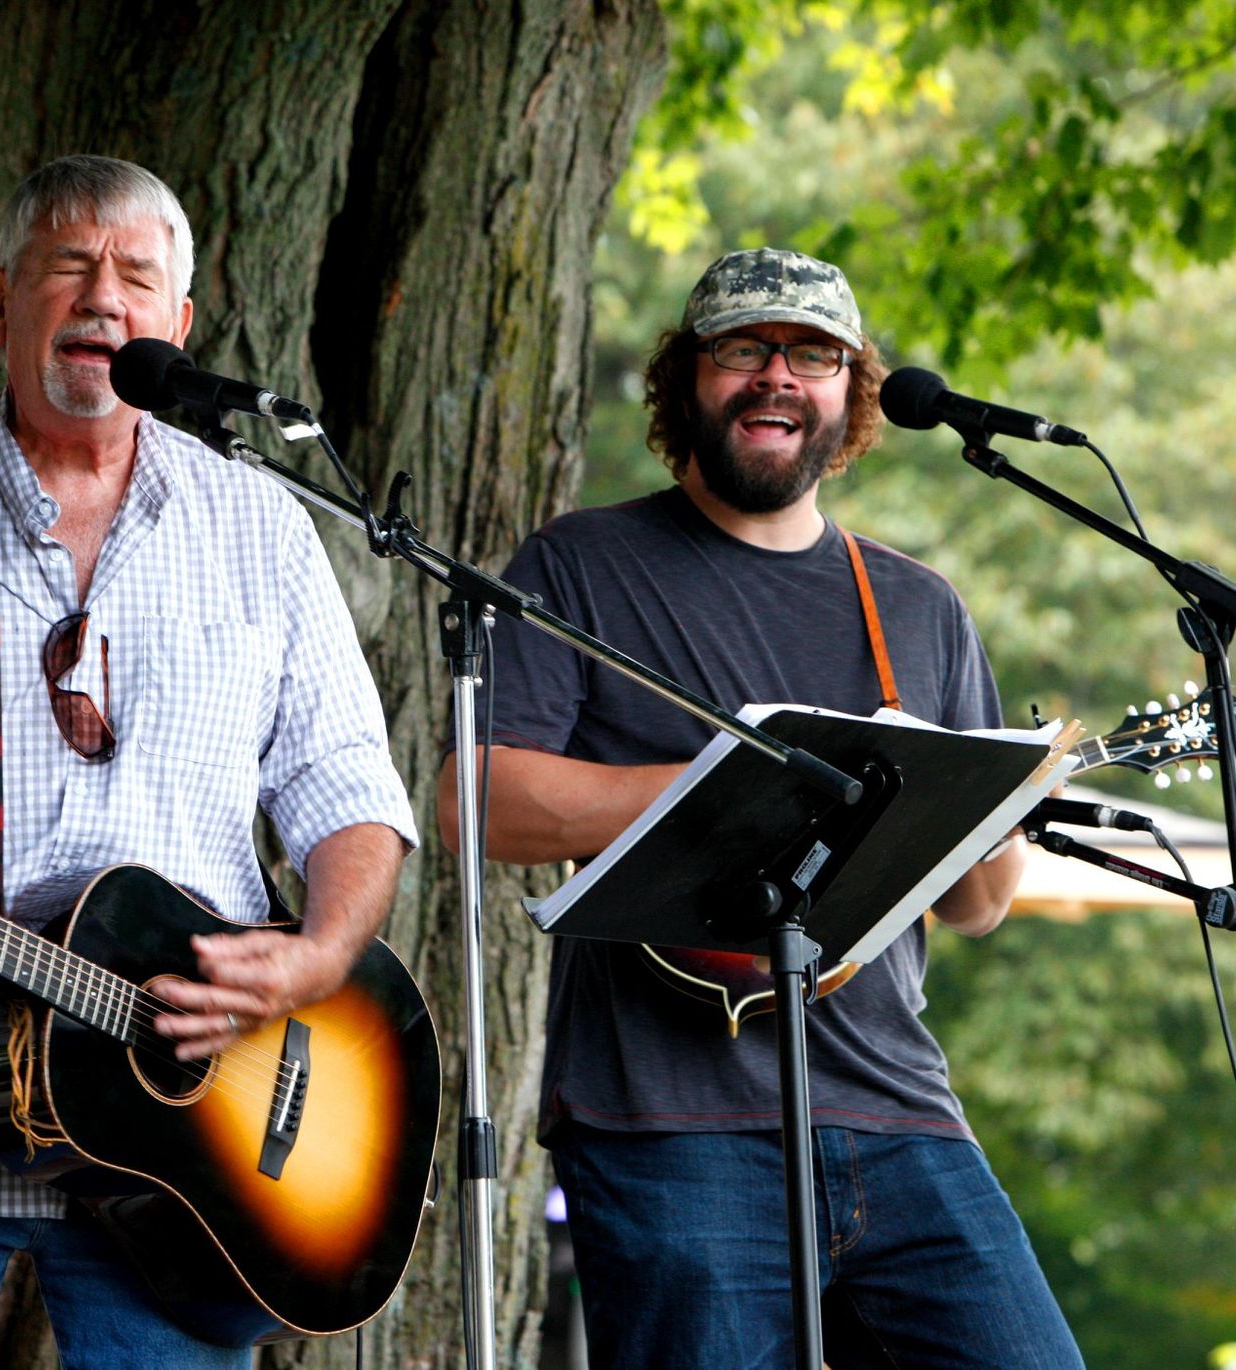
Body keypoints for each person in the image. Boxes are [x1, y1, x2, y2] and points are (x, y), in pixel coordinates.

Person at [0, 155, 416, 1368]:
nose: (104, 297)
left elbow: (350, 788)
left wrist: (318, 956)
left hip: (196, 1144)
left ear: (178, 324)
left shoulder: (260, 525)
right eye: (69, 266)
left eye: (136, 276)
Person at [438, 248, 1082, 1367]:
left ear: (852, 393)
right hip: (668, 1122)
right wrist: (742, 789)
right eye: (744, 348)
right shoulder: (581, 562)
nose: (778, 375)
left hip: (896, 1110)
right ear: (686, 379)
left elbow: (979, 906)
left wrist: (1005, 796)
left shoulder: (918, 605)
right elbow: (474, 800)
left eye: (814, 356)